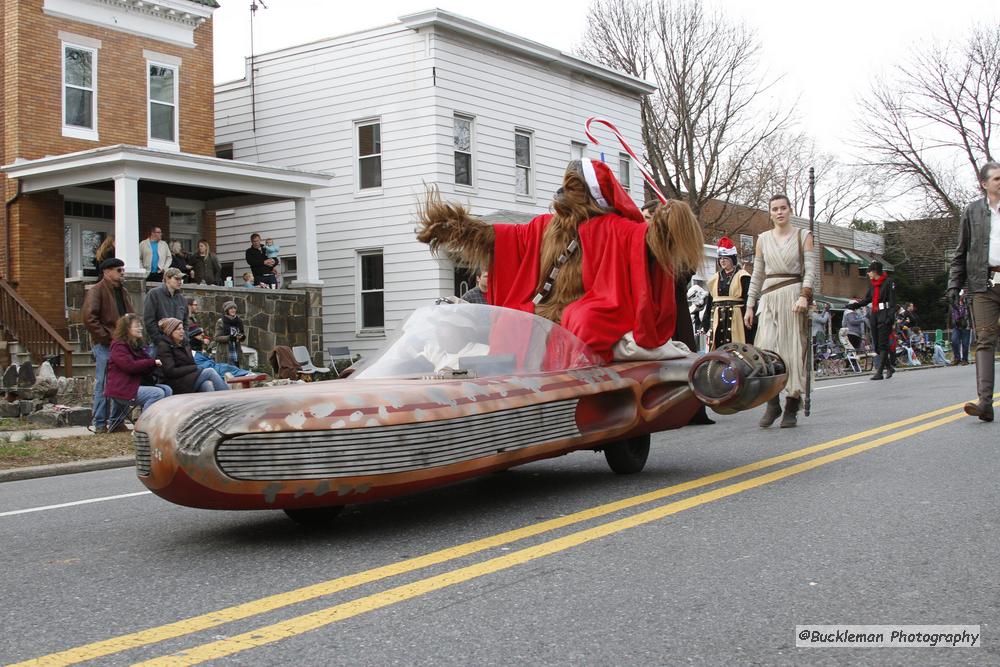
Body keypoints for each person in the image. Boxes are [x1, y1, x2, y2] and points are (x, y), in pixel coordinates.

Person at [415, 159, 704, 363]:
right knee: (510, 320)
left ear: (591, 196)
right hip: (543, 308)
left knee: (583, 318)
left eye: (573, 187)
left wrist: (671, 219)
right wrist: (454, 226)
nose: (562, 193)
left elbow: (648, 242)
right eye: (564, 185)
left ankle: (580, 376)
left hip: (589, 303)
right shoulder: (546, 227)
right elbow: (498, 237)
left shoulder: (614, 228)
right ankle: (509, 382)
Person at [744, 194, 818, 428]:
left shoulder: (803, 236)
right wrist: (749, 304)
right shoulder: (763, 239)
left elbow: (811, 270)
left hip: (793, 296)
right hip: (768, 298)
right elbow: (756, 274)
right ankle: (772, 402)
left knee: (793, 351)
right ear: (770, 212)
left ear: (790, 210)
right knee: (766, 350)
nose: (779, 212)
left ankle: (792, 404)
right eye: (774, 209)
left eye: (783, 208)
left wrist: (804, 297)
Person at [948, 161, 1000, 422]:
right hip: (984, 284)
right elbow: (961, 252)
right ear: (984, 184)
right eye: (997, 179)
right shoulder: (972, 211)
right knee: (985, 340)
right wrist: (953, 284)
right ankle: (985, 404)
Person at [81, 258, 134, 433]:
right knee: (104, 383)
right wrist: (107, 338)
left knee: (123, 382)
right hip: (105, 345)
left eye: (123, 270)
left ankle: (117, 421)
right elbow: (89, 318)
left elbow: (129, 317)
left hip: (123, 344)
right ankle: (100, 423)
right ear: (107, 272)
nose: (122, 273)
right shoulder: (96, 291)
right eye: (119, 270)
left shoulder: (123, 292)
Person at [104, 314, 172, 432]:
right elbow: (129, 366)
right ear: (127, 329)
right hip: (123, 388)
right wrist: (152, 363)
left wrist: (154, 365)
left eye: (141, 325)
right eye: (137, 326)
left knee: (167, 390)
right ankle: (142, 428)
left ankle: (160, 424)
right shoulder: (118, 346)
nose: (140, 328)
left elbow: (146, 364)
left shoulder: (137, 346)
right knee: (156, 393)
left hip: (135, 384)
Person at [845, 260, 896, 381]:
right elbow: (867, 299)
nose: (868, 274)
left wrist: (890, 316)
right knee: (877, 346)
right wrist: (854, 306)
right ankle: (889, 368)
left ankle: (879, 372)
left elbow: (893, 301)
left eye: (869, 271)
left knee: (883, 344)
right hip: (875, 314)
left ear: (874, 271)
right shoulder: (873, 285)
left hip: (885, 314)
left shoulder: (889, 282)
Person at [702, 236, 753, 349]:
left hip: (737, 318)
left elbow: (749, 298)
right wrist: (705, 322)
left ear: (732, 259)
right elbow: (710, 303)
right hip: (718, 318)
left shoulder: (743, 276)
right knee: (719, 346)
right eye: (720, 258)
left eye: (726, 258)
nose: (722, 261)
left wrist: (750, 318)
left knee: (737, 347)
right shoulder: (715, 278)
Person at [155, 318, 229, 394]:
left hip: (189, 378)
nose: (182, 331)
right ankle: (228, 397)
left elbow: (191, 363)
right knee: (210, 371)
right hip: (175, 383)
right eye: (178, 329)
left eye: (182, 329)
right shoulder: (164, 346)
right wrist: (194, 368)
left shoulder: (185, 344)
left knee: (207, 385)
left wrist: (194, 368)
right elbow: (170, 372)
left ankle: (215, 405)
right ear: (170, 331)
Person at [143, 267, 189, 347]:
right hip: (159, 345)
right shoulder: (154, 294)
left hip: (178, 345)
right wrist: (159, 340)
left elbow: (185, 322)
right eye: (177, 279)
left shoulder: (182, 299)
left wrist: (184, 339)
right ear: (167, 279)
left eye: (181, 279)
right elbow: (149, 320)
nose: (180, 281)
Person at [214, 301, 248, 369]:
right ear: (227, 310)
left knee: (237, 372)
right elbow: (217, 338)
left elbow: (242, 333)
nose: (233, 310)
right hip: (225, 351)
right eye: (231, 308)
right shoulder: (221, 321)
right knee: (226, 373)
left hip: (236, 350)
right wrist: (230, 338)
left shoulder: (239, 321)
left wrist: (242, 337)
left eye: (234, 308)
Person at [949, 290, 971, 365]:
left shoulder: (967, 304)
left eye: (961, 295)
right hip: (956, 325)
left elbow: (971, 314)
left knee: (965, 343)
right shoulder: (954, 305)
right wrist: (949, 323)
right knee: (954, 341)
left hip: (966, 326)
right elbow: (951, 314)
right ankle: (957, 358)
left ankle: (965, 359)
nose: (960, 297)